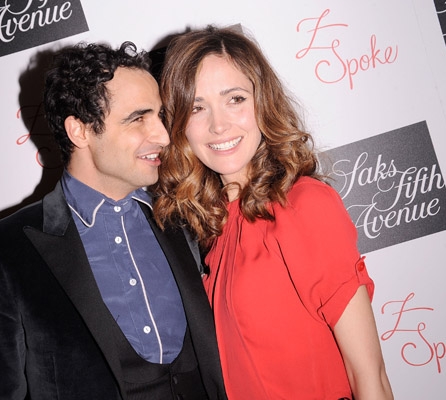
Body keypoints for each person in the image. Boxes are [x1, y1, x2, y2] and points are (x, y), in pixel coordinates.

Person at [0, 41, 226, 400]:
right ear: (80, 131)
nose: (163, 136)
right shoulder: (3, 251)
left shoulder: (182, 215)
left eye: (160, 116)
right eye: (138, 118)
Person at [153, 26, 394, 400]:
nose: (219, 125)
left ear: (262, 102)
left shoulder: (304, 205)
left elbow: (369, 375)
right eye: (197, 108)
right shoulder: (212, 229)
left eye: (235, 99)